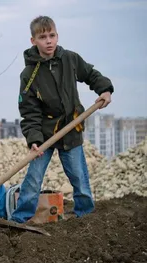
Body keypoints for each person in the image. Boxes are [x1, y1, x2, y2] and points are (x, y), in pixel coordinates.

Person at [12, 16, 114, 223]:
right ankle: (19, 219)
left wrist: (105, 89)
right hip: (44, 134)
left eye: (52, 35)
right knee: (33, 179)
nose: (48, 41)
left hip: (71, 128)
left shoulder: (70, 59)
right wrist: (34, 138)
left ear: (57, 36)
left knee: (79, 178)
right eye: (42, 37)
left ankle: (85, 218)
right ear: (33, 41)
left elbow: (91, 75)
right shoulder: (29, 74)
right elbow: (29, 110)